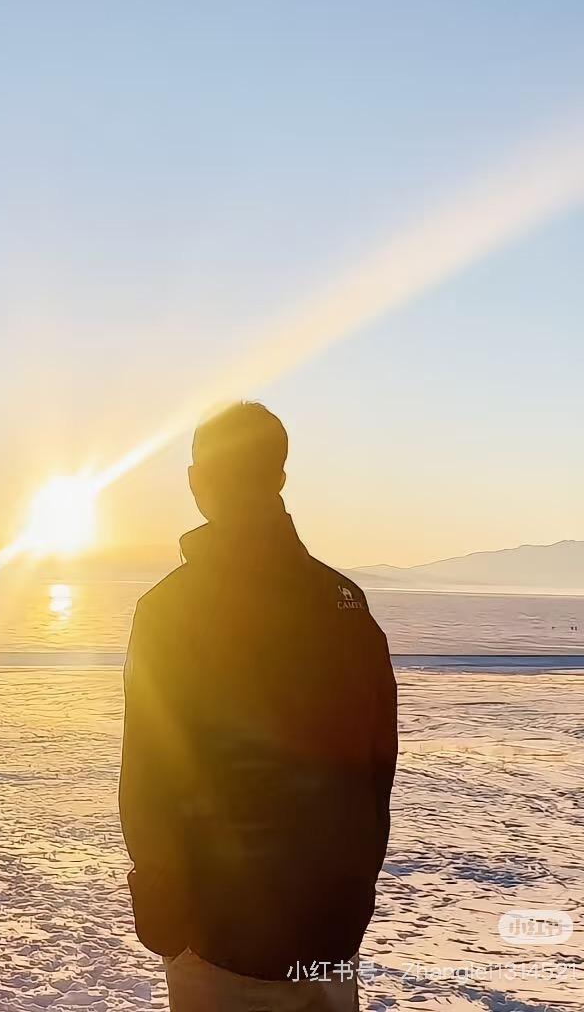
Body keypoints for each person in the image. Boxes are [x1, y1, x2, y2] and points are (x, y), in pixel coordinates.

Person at [119, 401, 397, 1011]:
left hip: (217, 937)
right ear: (280, 479)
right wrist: (351, 894)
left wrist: (164, 899)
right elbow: (377, 772)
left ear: (197, 482)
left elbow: (150, 771)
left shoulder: (170, 611)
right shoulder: (344, 604)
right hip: (324, 935)